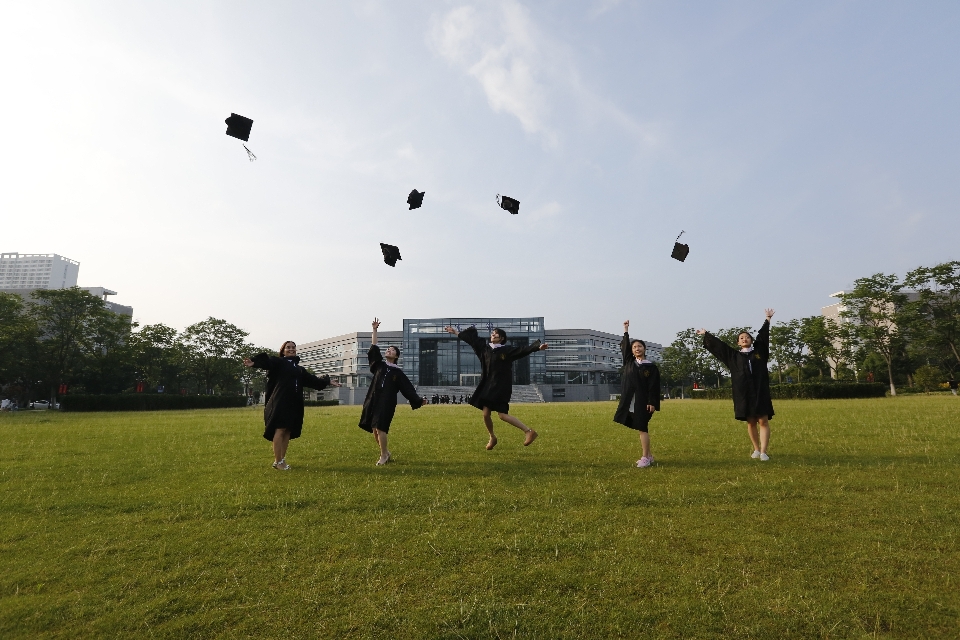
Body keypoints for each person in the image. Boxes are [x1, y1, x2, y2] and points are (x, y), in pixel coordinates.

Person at [444, 324, 548, 449]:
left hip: (501, 386)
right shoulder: (484, 348)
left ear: (502, 338)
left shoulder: (506, 351)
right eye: (492, 333)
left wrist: (537, 347)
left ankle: (528, 432)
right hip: (488, 385)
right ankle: (492, 437)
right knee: (485, 414)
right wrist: (455, 332)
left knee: (502, 415)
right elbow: (472, 340)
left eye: (495, 334)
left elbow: (522, 350)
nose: (492, 335)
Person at [243, 341, 340, 470]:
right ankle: (278, 462)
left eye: (293, 347)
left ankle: (281, 460)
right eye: (288, 347)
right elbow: (268, 362)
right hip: (280, 401)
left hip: (294, 403)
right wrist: (254, 362)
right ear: (283, 350)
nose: (291, 349)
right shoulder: (279, 363)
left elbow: (312, 380)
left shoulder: (299, 369)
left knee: (288, 430)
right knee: (280, 429)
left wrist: (327, 381)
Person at [697, 309, 775, 460]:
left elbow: (763, 337)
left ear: (751, 340)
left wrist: (767, 319)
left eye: (747, 337)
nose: (744, 339)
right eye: (741, 338)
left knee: (763, 420)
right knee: (751, 422)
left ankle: (764, 451)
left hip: (760, 391)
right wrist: (707, 335)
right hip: (743, 393)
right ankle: (756, 449)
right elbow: (720, 347)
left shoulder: (760, 352)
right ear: (738, 342)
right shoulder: (734, 357)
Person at [359, 318, 427, 465]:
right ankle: (385, 452)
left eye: (392, 349)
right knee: (374, 429)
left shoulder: (398, 373)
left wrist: (418, 400)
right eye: (388, 349)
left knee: (380, 427)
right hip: (374, 399)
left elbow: (407, 388)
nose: (388, 350)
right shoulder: (379, 366)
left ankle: (383, 456)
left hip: (387, 402)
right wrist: (374, 330)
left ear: (396, 356)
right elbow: (374, 347)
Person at [613, 320, 661, 468]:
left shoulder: (651, 367)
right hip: (630, 400)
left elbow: (654, 386)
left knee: (642, 427)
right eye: (634, 347)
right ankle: (650, 456)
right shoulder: (629, 362)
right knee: (641, 427)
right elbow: (625, 347)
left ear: (645, 349)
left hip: (644, 401)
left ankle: (645, 457)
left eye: (640, 346)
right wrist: (626, 330)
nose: (637, 348)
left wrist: (652, 402)